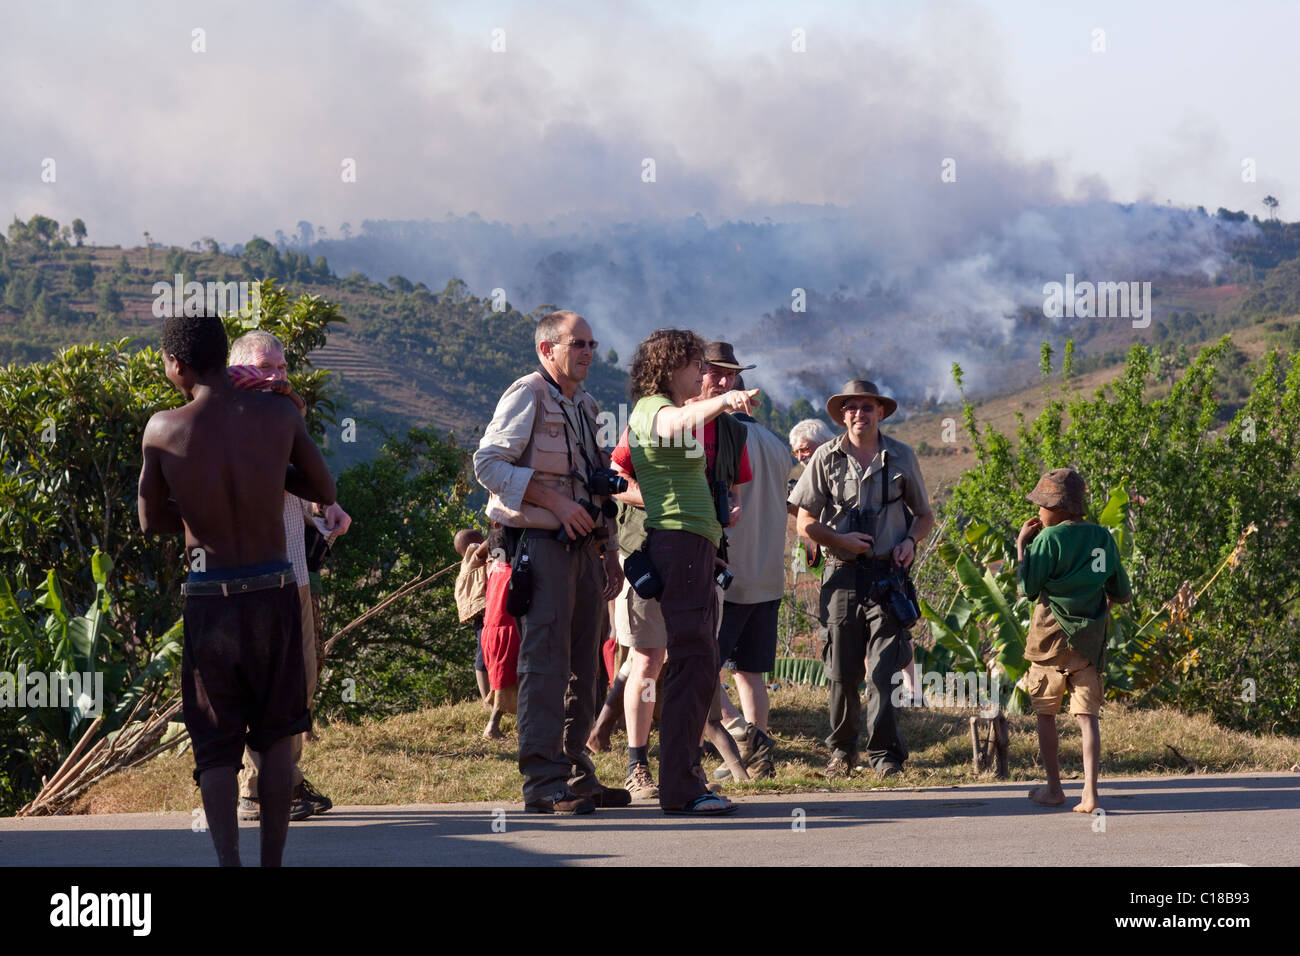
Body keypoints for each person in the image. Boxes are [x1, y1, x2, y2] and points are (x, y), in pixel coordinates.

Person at [138, 313, 337, 866]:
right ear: (226, 356)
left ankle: (230, 864)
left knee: (216, 745)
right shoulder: (278, 415)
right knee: (278, 735)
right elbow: (323, 487)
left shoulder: (163, 429)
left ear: (175, 363)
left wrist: (203, 510)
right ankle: (271, 863)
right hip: (274, 591)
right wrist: (267, 477)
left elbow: (150, 520)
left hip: (211, 599)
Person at [473, 310, 628, 814]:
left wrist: (608, 552)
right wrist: (554, 503)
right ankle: (542, 783)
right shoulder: (527, 393)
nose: (586, 351)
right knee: (544, 665)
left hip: (586, 553)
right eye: (576, 343)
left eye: (591, 343)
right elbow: (488, 464)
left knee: (585, 667)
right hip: (541, 548)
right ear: (547, 349)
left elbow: (593, 484)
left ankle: (574, 771)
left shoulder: (586, 404)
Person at [626, 328, 759, 815]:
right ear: (669, 367)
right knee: (693, 658)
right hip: (677, 544)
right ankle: (681, 787)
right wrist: (725, 403)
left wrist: (712, 548)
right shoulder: (650, 410)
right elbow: (674, 424)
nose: (703, 374)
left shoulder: (670, 408)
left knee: (699, 658)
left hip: (695, 546)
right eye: (695, 365)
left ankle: (686, 780)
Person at [227, 330, 351, 822]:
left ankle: (284, 781)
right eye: (266, 367)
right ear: (238, 372)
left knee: (300, 682)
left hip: (294, 573)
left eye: (282, 368)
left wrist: (325, 507)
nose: (277, 376)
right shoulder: (231, 424)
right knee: (267, 685)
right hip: (253, 579)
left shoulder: (283, 418)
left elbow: (299, 488)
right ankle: (263, 789)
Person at [789, 380, 935, 779]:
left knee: (883, 671)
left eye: (866, 407)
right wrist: (839, 540)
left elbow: (924, 516)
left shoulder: (902, 456)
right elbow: (804, 521)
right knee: (841, 671)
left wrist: (909, 540)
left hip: (888, 579)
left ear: (880, 412)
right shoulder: (825, 457)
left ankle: (886, 755)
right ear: (842, 415)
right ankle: (842, 751)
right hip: (840, 576)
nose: (858, 414)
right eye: (850, 408)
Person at [1017, 468, 1132, 813]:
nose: (1038, 512)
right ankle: (1090, 793)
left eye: (1042, 506)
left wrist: (1022, 545)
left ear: (1060, 509)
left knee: (1046, 715)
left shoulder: (1046, 540)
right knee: (1087, 718)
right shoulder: (1103, 537)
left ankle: (1054, 789)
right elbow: (1122, 592)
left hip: (1049, 641)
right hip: (1088, 644)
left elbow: (1028, 588)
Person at [706, 349, 791, 779]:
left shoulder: (719, 436)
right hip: (768, 575)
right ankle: (761, 755)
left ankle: (740, 744)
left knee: (703, 667)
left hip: (728, 572)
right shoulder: (777, 445)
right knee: (751, 673)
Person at [454, 528, 505, 738]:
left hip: (481, 611)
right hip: (483, 611)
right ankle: (487, 700)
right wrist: (500, 532)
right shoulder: (474, 552)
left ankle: (491, 699)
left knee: (485, 653)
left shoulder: (469, 564)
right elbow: (482, 549)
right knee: (484, 655)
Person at [787, 418, 837, 573]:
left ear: (825, 444)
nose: (800, 457)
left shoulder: (841, 473)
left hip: (842, 557)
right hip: (825, 561)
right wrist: (796, 509)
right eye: (796, 452)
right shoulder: (811, 476)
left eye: (805, 449)